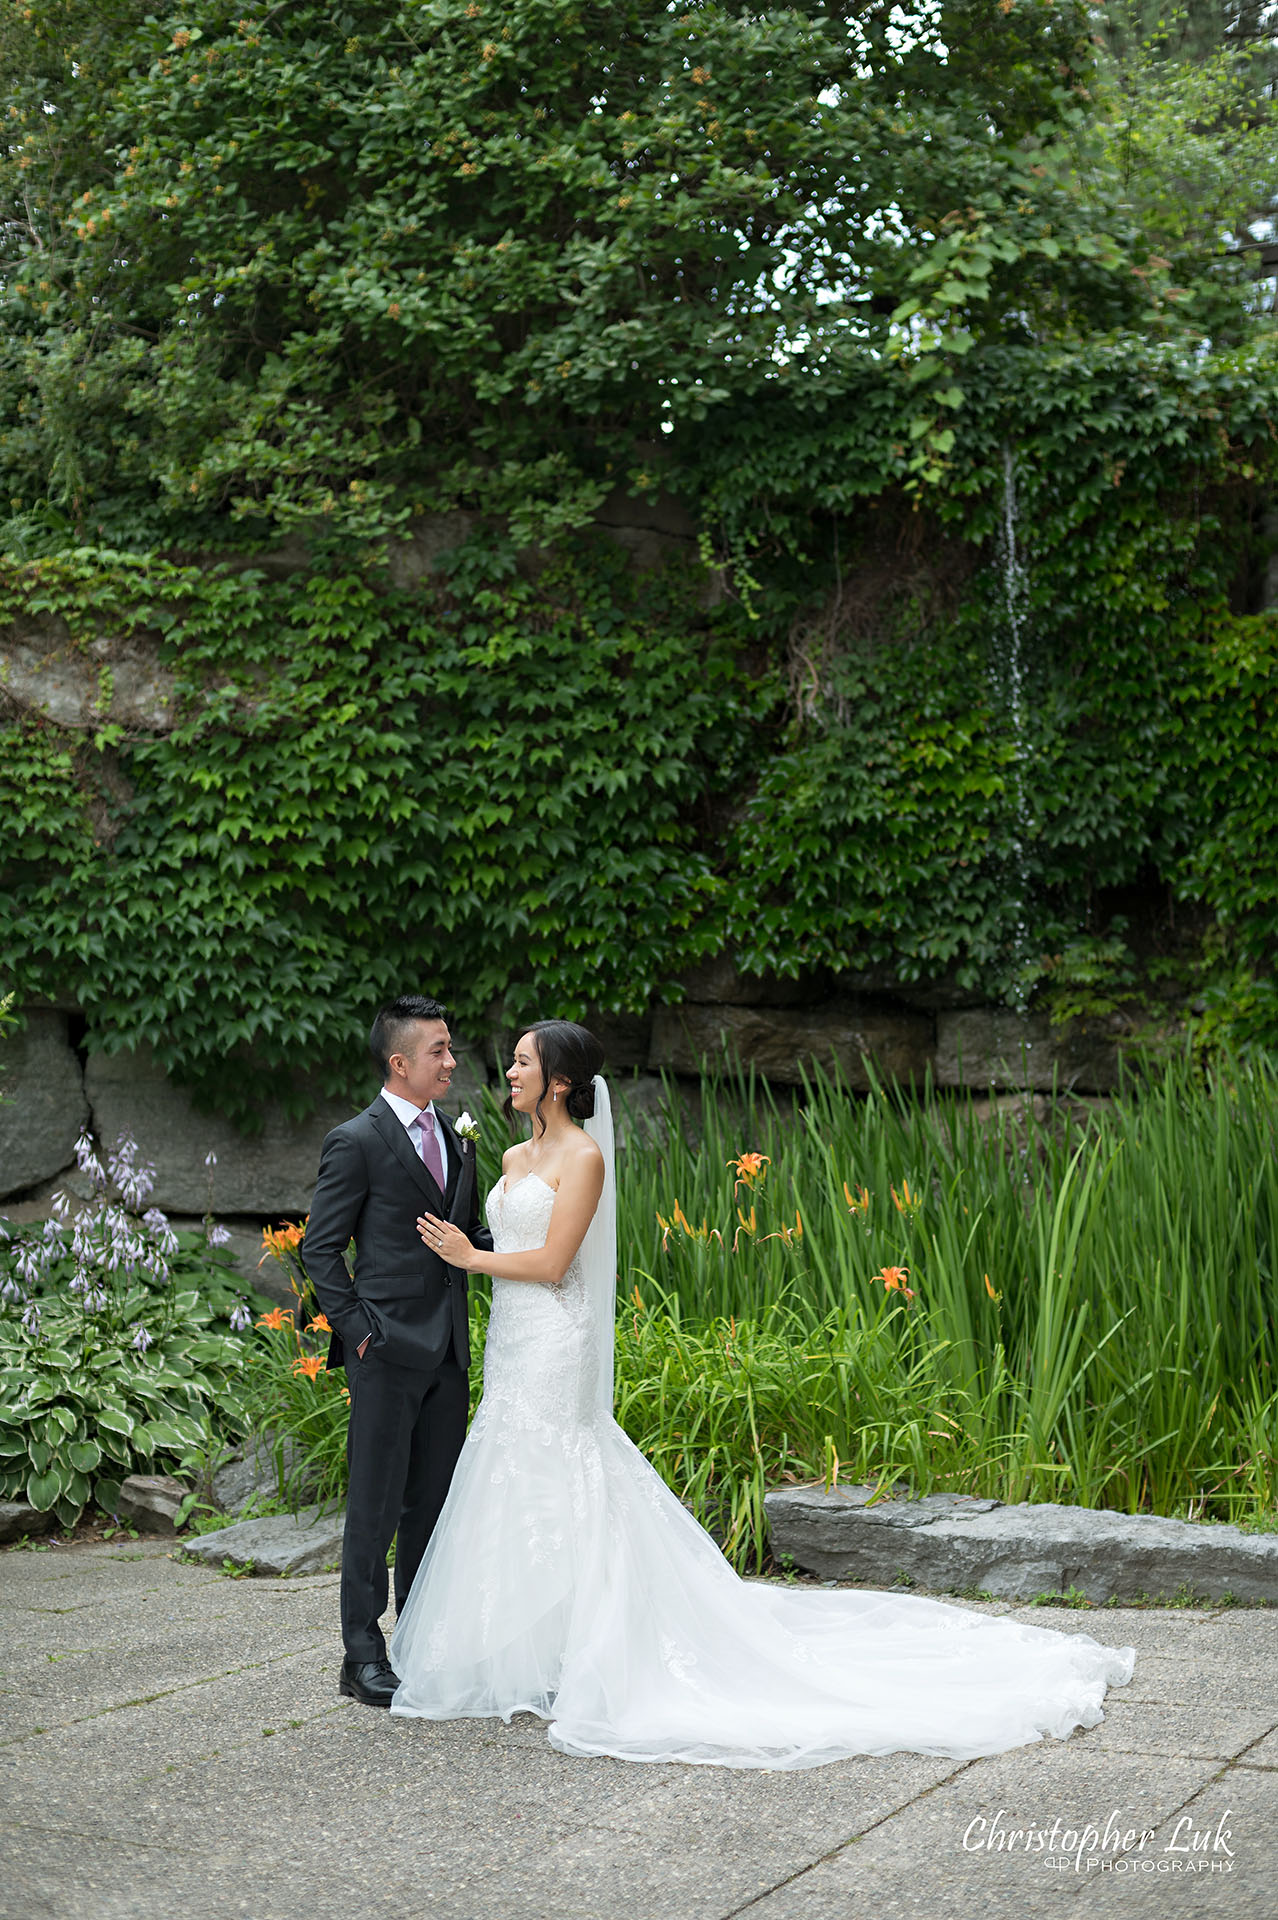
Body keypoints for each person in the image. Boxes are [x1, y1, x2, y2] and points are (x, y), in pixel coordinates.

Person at [390, 1020, 1135, 1768]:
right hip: (514, 1342)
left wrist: (471, 1258)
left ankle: (598, 1647)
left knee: (564, 1466)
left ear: (557, 1080)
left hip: (555, 1336)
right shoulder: (514, 1153)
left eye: (522, 1062)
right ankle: (531, 1649)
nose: (508, 1071)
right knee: (515, 1471)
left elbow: (554, 1264)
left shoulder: (584, 1157)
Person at [301, 994, 491, 1708]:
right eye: (438, 1050)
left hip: (448, 1350)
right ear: (400, 1061)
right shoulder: (356, 1139)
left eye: (451, 1048)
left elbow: (463, 1239)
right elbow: (321, 1251)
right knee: (374, 1508)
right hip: (385, 1349)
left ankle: (419, 1638)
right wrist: (361, 1332)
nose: (451, 1061)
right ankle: (362, 1656)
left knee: (431, 1506)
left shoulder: (457, 1133)